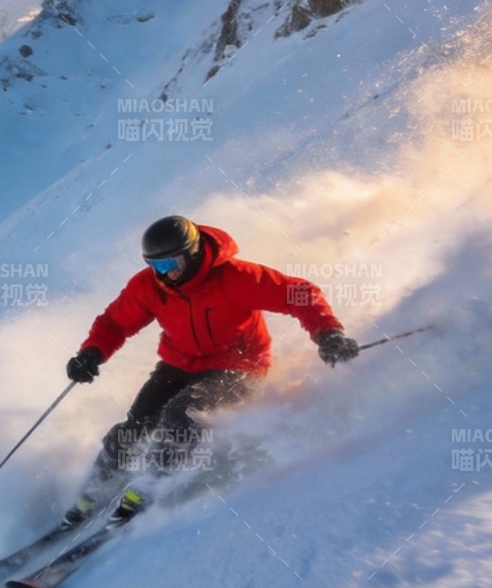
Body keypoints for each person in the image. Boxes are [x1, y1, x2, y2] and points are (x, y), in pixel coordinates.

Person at [61, 215, 360, 524]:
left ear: (191, 252)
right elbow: (114, 323)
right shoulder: (150, 286)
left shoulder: (235, 278)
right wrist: (92, 353)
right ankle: (93, 493)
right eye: (157, 266)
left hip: (238, 367)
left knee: (181, 415)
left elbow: (300, 293)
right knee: (136, 425)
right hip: (179, 362)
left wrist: (328, 334)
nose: (167, 273)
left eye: (171, 263)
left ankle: (147, 488)